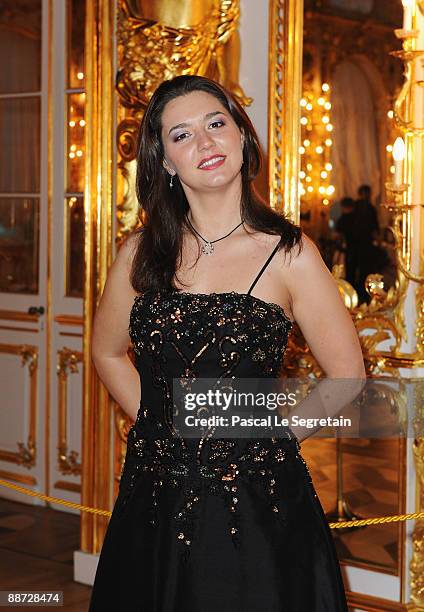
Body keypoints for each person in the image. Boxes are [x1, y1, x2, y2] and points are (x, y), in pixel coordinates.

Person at [88, 75, 365, 611]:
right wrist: (156, 423)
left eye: (216, 124)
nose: (205, 143)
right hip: (155, 493)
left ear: (242, 135)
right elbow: (105, 352)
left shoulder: (289, 253)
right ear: (165, 161)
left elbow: (347, 373)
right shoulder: (140, 253)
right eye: (181, 135)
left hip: (259, 500)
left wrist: (274, 433)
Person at [334, 197, 357, 286]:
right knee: (352, 272)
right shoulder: (358, 219)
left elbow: (337, 235)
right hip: (356, 249)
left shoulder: (343, 219)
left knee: (342, 269)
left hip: (344, 250)